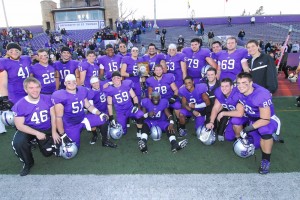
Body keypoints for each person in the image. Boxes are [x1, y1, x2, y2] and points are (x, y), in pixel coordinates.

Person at [51, 74, 115, 148]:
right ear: (65, 83)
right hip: (71, 124)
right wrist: (62, 134)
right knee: (74, 147)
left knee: (103, 118)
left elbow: (88, 106)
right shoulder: (60, 96)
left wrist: (99, 113)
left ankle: (105, 141)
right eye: (69, 82)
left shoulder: (81, 90)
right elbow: (58, 118)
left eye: (74, 82)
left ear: (76, 82)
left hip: (83, 118)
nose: (72, 84)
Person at [236, 72, 280, 174]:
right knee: (254, 145)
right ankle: (265, 137)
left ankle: (266, 160)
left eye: (244, 83)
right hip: (252, 118)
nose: (240, 86)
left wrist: (247, 128)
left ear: (251, 83)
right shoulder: (239, 90)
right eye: (238, 83)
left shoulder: (261, 94)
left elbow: (265, 119)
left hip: (267, 119)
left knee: (264, 130)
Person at [12, 77, 57, 176]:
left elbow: (54, 116)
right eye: (31, 88)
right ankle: (28, 163)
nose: (35, 90)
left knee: (48, 153)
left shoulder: (48, 98)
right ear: (25, 89)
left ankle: (44, 142)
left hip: (46, 127)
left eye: (37, 87)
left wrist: (54, 132)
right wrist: (36, 133)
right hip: (29, 129)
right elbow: (19, 125)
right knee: (19, 142)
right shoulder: (20, 105)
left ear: (40, 88)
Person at [205, 78, 254, 142]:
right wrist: (211, 122)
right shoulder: (219, 92)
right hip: (234, 114)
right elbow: (216, 108)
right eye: (222, 86)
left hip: (248, 115)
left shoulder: (237, 94)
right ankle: (240, 129)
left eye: (226, 86)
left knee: (235, 121)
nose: (224, 88)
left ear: (232, 87)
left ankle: (239, 139)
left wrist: (223, 113)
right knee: (229, 137)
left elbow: (240, 113)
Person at [0, 43, 31, 134]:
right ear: (7, 52)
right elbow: (3, 82)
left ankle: (31, 136)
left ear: (20, 52)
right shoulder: (4, 62)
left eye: (16, 50)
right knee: (20, 118)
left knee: (30, 115)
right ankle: (22, 138)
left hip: (28, 92)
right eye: (11, 51)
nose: (14, 52)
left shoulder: (26, 59)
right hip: (15, 94)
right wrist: (4, 98)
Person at [104, 71, 144, 137]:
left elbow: (134, 96)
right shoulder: (110, 89)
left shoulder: (126, 84)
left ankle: (139, 131)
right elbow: (109, 105)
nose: (116, 79)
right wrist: (111, 117)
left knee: (140, 115)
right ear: (112, 79)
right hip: (120, 112)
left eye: (118, 78)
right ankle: (123, 123)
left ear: (121, 78)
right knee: (122, 132)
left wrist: (136, 105)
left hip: (130, 108)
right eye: (114, 78)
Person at [87, 76, 109, 144]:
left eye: (97, 82)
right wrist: (97, 113)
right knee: (93, 125)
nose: (96, 84)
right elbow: (91, 107)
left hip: (105, 109)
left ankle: (101, 131)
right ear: (91, 84)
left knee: (105, 127)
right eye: (94, 83)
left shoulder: (102, 85)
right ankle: (95, 135)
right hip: (96, 111)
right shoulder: (90, 93)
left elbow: (108, 83)